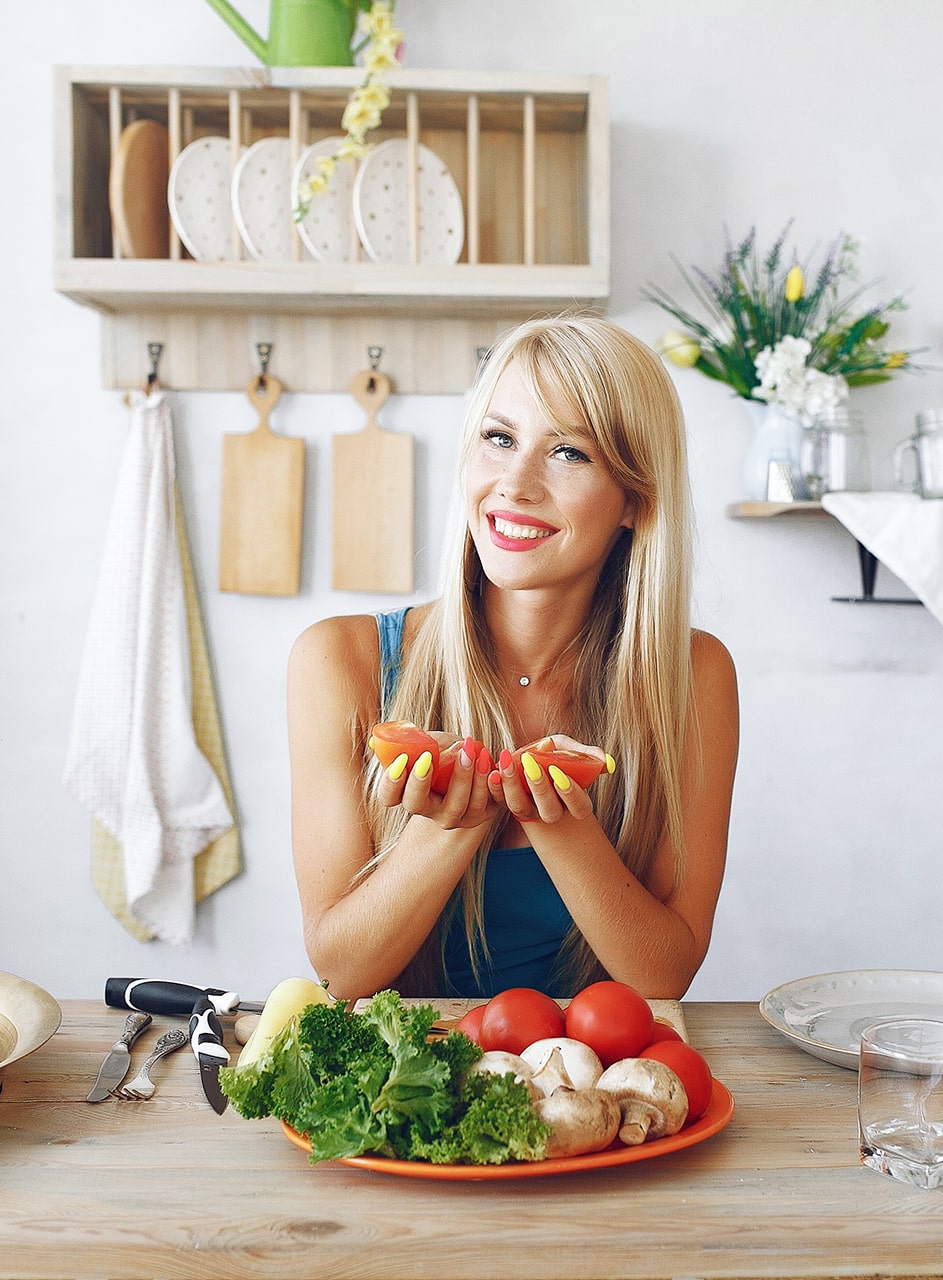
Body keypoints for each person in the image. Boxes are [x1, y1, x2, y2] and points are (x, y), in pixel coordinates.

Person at [286, 315, 739, 1001]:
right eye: (499, 439)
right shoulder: (338, 661)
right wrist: (444, 834)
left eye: (570, 454)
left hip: (589, 1082)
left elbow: (665, 974)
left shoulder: (695, 675)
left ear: (634, 502)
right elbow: (339, 973)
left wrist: (562, 827)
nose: (515, 484)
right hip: (410, 1091)